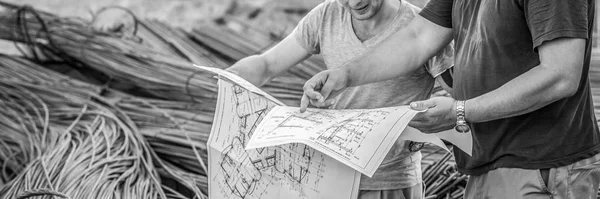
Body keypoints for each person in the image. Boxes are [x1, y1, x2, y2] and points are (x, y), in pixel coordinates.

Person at [301, 0, 600, 198]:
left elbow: (561, 74)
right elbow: (418, 39)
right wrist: (344, 75)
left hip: (543, 164)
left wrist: (461, 110)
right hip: (487, 161)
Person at [226, 0, 454, 198]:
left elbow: (462, 96)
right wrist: (228, 77)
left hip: (387, 181)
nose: (355, 3)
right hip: (328, 177)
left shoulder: (423, 30)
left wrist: (459, 113)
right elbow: (267, 65)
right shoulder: (326, 16)